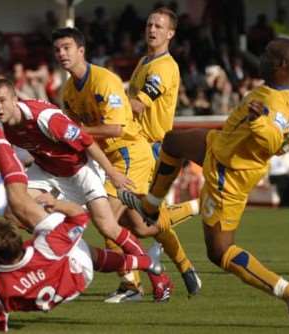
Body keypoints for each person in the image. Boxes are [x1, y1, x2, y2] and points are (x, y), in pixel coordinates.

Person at [119, 38, 289, 328]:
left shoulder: (270, 102)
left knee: (220, 252)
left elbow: (273, 140)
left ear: (282, 65)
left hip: (229, 174)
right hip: (220, 146)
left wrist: (259, 123)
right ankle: (150, 205)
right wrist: (282, 138)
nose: (261, 58)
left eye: (268, 55)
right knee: (173, 141)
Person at [0, 80, 173, 302]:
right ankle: (29, 265)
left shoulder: (45, 118)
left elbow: (87, 142)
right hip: (46, 171)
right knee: (12, 213)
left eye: (2, 100)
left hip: (80, 170)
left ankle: (156, 273)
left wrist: (112, 173)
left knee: (108, 227)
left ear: (14, 99)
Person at [0, 122, 163, 331]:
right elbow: (79, 217)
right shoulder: (46, 245)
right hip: (77, 279)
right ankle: (147, 262)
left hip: (50, 297)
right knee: (75, 245)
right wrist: (55, 204)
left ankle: (148, 263)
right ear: (22, 241)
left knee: (76, 246)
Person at [52, 26, 200, 302]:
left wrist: (79, 133)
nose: (62, 54)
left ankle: (133, 285)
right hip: (111, 160)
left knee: (106, 221)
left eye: (67, 48)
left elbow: (116, 129)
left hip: (131, 153)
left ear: (81, 51)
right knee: (141, 228)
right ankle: (189, 215)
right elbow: (75, 134)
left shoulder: (104, 80)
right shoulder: (70, 91)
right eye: (58, 49)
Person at [124, 6, 201, 300]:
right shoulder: (145, 60)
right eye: (149, 24)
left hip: (151, 148)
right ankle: (182, 267)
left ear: (170, 33)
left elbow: (138, 105)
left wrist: (104, 105)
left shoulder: (164, 67)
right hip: (136, 145)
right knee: (141, 218)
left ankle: (132, 283)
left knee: (128, 215)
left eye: (158, 26)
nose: (152, 30)